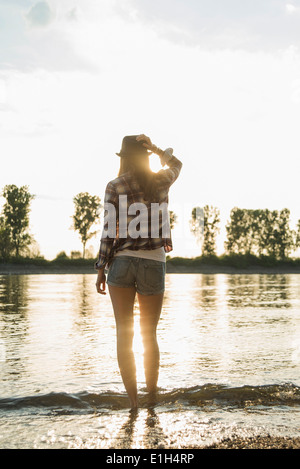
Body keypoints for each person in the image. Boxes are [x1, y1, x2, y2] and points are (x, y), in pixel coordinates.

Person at [95, 134, 182, 410]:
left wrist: (100, 268)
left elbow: (109, 231)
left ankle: (133, 403)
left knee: (124, 333)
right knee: (149, 334)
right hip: (154, 263)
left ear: (124, 158)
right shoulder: (160, 180)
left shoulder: (114, 185)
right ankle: (152, 399)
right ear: (144, 156)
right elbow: (178, 164)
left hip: (121, 263)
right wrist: (158, 149)